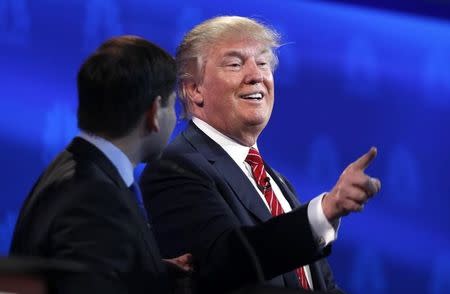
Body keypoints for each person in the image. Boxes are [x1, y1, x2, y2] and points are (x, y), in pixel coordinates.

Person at [140, 16, 380, 294]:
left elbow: (321, 287)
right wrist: (324, 211)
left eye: (263, 63)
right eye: (235, 64)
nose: (257, 76)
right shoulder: (175, 167)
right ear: (194, 89)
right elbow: (226, 264)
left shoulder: (277, 181)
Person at [9, 35, 192, 293]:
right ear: (154, 112)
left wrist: (150, 271)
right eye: (173, 105)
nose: (175, 119)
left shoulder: (74, 167)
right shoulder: (96, 200)